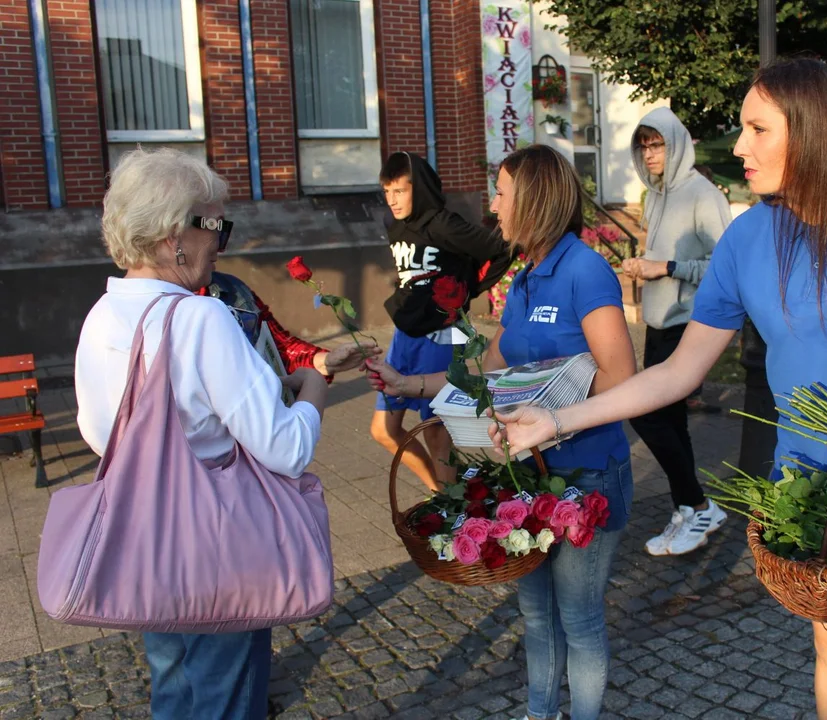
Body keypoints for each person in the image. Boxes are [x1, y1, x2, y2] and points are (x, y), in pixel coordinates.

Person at [490, 59, 827, 720]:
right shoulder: (748, 239)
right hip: (812, 487)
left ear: (810, 130)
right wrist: (556, 423)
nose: (738, 146)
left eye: (756, 128)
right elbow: (678, 372)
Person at [368, 145, 636, 720]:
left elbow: (621, 379)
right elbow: (484, 371)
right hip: (528, 476)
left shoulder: (584, 270)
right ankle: (541, 713)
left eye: (502, 192)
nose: (493, 205)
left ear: (534, 201)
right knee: (537, 616)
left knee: (580, 619)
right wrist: (407, 384)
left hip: (588, 472)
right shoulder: (526, 278)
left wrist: (550, 406)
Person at [75, 147, 329, 719]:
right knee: (226, 695)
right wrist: (312, 388)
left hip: (144, 539)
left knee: (172, 685)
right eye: (216, 224)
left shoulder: (101, 315)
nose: (222, 241)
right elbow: (286, 447)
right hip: (216, 544)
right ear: (174, 237)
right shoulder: (201, 317)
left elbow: (98, 430)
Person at [621, 108, 732, 556]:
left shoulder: (703, 194)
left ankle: (699, 505)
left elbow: (727, 267)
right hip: (659, 322)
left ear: (677, 143)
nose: (649, 154)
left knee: (645, 413)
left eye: (657, 144)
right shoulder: (657, 195)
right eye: (643, 145)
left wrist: (666, 268)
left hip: (689, 324)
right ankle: (688, 508)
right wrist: (646, 269)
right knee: (670, 422)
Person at [373, 152, 512, 491]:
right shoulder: (395, 227)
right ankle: (440, 492)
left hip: (444, 335)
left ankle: (450, 509)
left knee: (436, 431)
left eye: (400, 191)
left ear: (417, 188)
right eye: (387, 192)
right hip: (405, 336)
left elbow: (500, 248)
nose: (392, 200)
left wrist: (467, 290)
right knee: (383, 430)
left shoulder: (442, 223)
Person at [198, 271, 373, 379]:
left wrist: (326, 362)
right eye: (212, 225)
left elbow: (279, 347)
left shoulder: (233, 289)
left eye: (223, 228)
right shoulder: (174, 306)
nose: (220, 243)